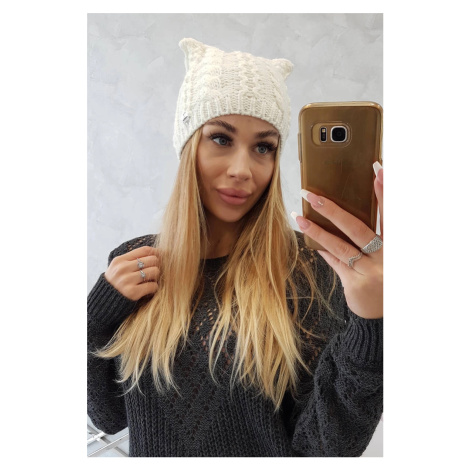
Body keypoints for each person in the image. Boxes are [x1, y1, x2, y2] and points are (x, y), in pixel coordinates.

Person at [87, 37, 384, 457]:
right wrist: (95, 316)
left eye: (263, 147)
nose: (243, 169)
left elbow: (323, 450)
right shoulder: (135, 262)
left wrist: (371, 325)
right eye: (221, 139)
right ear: (188, 144)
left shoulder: (310, 268)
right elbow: (109, 416)